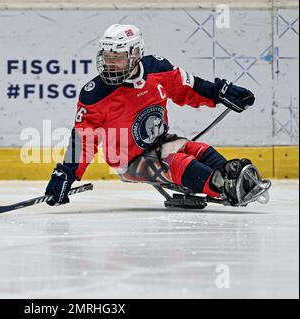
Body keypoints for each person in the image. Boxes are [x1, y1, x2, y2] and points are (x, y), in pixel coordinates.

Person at [45, 23, 259, 207]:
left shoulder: (158, 69)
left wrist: (219, 93)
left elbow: (190, 87)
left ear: (136, 54)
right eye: (108, 57)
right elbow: (84, 139)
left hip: (161, 142)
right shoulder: (95, 94)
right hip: (129, 160)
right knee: (177, 161)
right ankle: (221, 184)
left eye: (118, 57)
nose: (110, 63)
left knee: (198, 148)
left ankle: (230, 172)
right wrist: (67, 173)